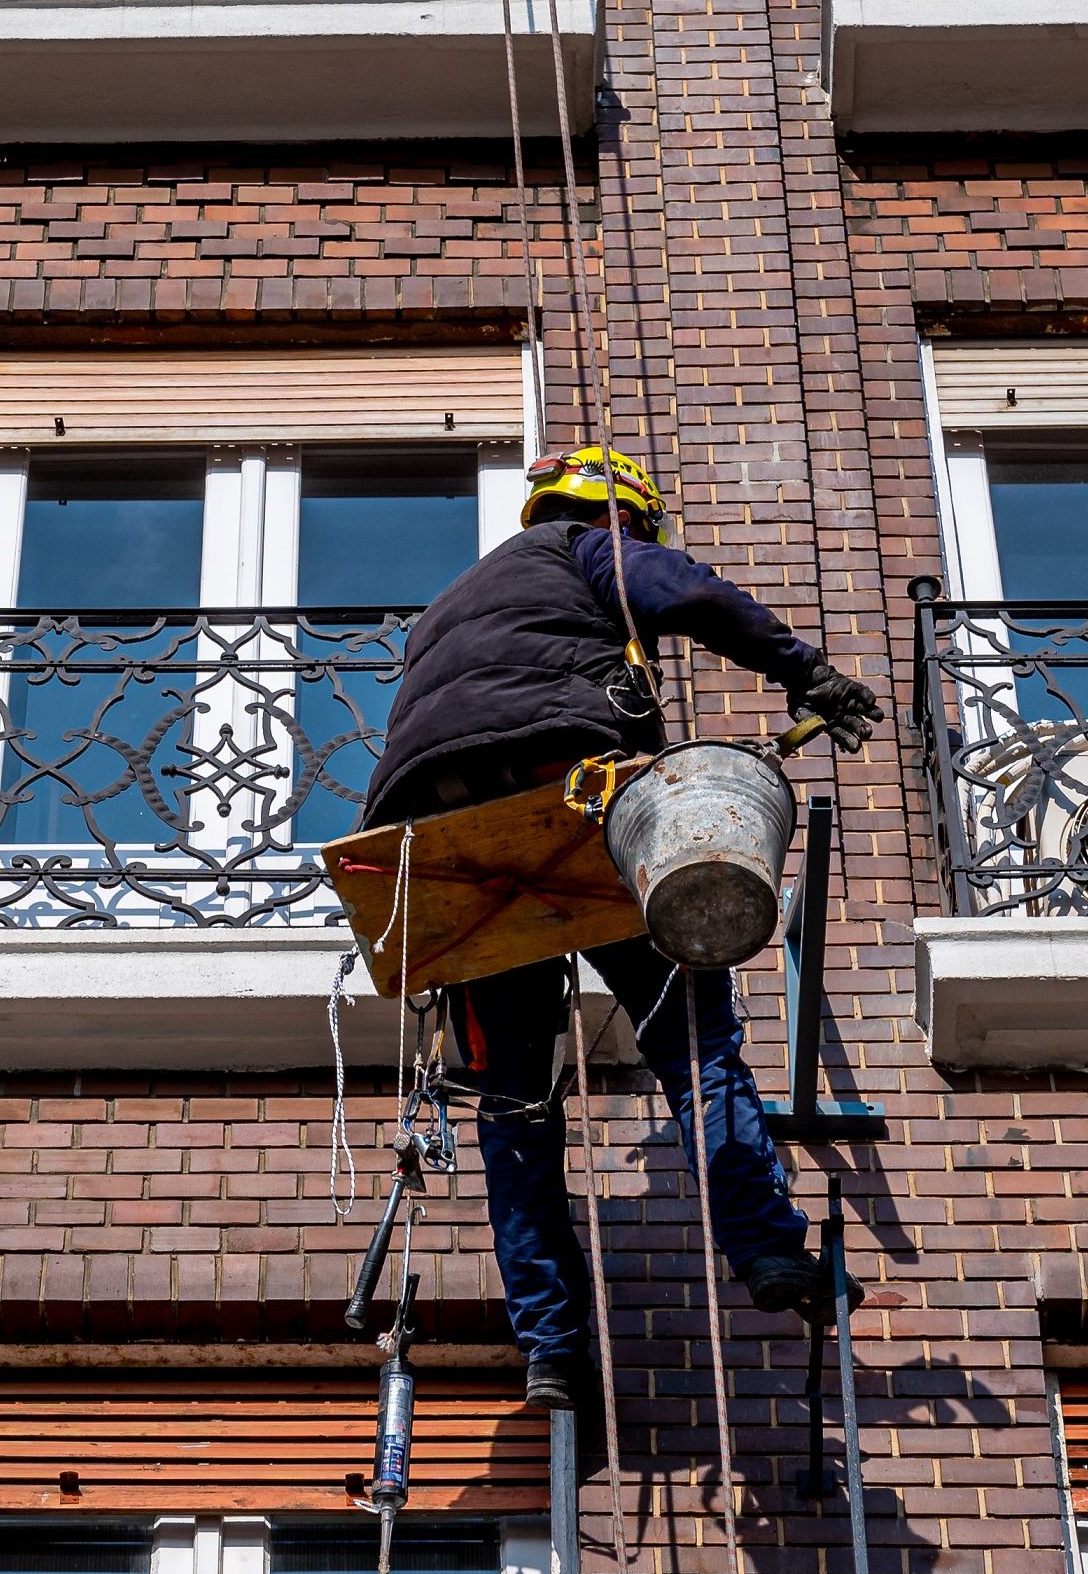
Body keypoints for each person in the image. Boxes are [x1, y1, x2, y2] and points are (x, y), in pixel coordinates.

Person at [361, 447, 886, 1412]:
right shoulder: (585, 546)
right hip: (566, 786)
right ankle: (768, 1248)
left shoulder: (447, 606)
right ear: (623, 513)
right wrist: (805, 672)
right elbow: (686, 593)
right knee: (696, 1039)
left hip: (441, 839)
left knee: (514, 1105)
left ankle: (551, 1348)